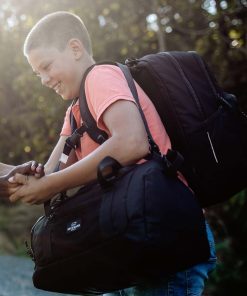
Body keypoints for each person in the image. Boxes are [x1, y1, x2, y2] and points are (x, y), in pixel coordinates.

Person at [7, 11, 216, 295]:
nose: (43, 80)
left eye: (46, 66)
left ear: (75, 48)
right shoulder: (74, 113)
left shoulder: (100, 77)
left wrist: (46, 185)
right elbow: (55, 179)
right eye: (37, 73)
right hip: (129, 238)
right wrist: (23, 180)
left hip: (162, 231)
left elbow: (132, 143)